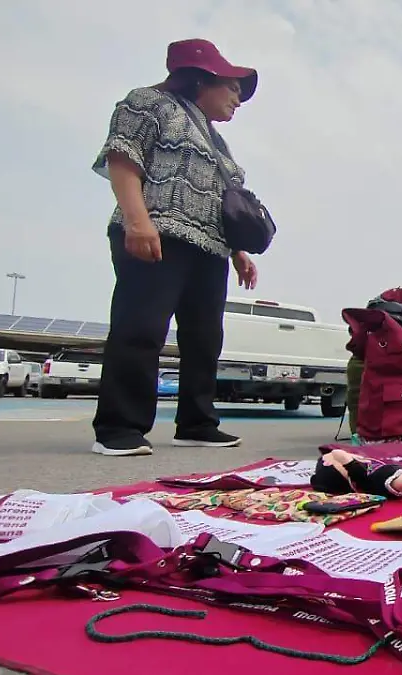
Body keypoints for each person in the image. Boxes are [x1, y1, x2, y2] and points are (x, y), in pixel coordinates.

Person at [90, 39, 260, 457]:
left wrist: (237, 250)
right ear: (201, 78)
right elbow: (123, 158)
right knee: (141, 328)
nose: (238, 99)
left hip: (210, 246)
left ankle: (197, 423)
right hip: (159, 232)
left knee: (205, 338)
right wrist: (137, 219)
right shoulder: (148, 103)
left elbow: (222, 196)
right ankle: (119, 427)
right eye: (232, 87)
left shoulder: (216, 140)